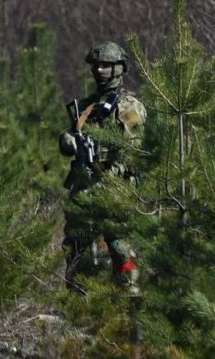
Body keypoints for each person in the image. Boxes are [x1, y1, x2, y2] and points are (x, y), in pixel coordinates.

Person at [58, 41, 146, 295]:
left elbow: (134, 149)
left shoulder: (129, 106)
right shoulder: (86, 107)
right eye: (96, 65)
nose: (99, 70)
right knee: (75, 247)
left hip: (115, 187)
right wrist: (67, 141)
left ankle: (128, 299)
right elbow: (70, 138)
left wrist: (110, 173)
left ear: (119, 68)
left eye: (106, 65)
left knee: (120, 247)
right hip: (84, 188)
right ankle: (78, 303)